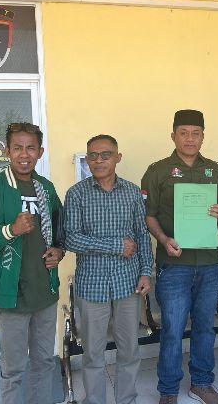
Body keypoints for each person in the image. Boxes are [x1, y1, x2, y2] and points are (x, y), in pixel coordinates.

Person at [0, 122, 64, 404]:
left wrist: (59, 250)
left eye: (31, 148)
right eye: (18, 148)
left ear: (40, 152)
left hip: (45, 292)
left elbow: (60, 230)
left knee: (44, 362)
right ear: (7, 151)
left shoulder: (45, 188)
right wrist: (11, 230)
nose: (24, 154)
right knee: (13, 371)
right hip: (12, 295)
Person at [141, 110, 218, 404]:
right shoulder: (158, 171)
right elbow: (148, 215)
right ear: (173, 136)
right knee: (173, 329)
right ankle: (168, 390)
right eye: (183, 133)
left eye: (195, 133)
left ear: (203, 136)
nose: (190, 139)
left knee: (205, 326)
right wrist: (163, 239)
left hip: (208, 263)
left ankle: (202, 383)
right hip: (173, 264)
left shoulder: (215, 169)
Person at [64, 134, 154, 404]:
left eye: (106, 155)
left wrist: (146, 272)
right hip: (92, 286)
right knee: (93, 354)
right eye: (93, 156)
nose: (99, 160)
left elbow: (142, 235)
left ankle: (127, 399)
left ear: (118, 157)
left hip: (128, 283)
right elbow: (71, 239)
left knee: (129, 350)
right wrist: (116, 245)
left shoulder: (132, 193)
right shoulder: (76, 194)